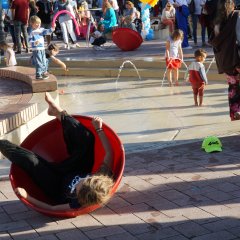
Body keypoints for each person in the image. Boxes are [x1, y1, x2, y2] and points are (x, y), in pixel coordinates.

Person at [0, 92, 114, 210]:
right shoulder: (101, 179)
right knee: (87, 138)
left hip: (55, 184)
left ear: (80, 196)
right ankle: (58, 112)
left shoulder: (77, 203)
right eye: (87, 179)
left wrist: (27, 196)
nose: (81, 181)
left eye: (78, 187)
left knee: (30, 160)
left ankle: (1, 144)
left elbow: (51, 208)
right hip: (72, 169)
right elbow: (110, 152)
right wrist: (98, 128)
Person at [209, 0, 240, 121]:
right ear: (232, 6)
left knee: (233, 86)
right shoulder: (237, 18)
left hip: (226, 62)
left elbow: (216, 44)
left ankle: (235, 111)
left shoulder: (217, 23)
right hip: (237, 58)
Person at [29, 15, 55, 80]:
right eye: (36, 23)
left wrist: (52, 28)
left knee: (45, 60)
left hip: (42, 49)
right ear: (32, 24)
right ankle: (38, 74)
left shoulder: (41, 30)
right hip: (36, 49)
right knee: (39, 61)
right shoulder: (31, 32)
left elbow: (48, 31)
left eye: (39, 23)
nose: (38, 25)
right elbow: (30, 40)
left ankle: (43, 72)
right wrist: (34, 42)